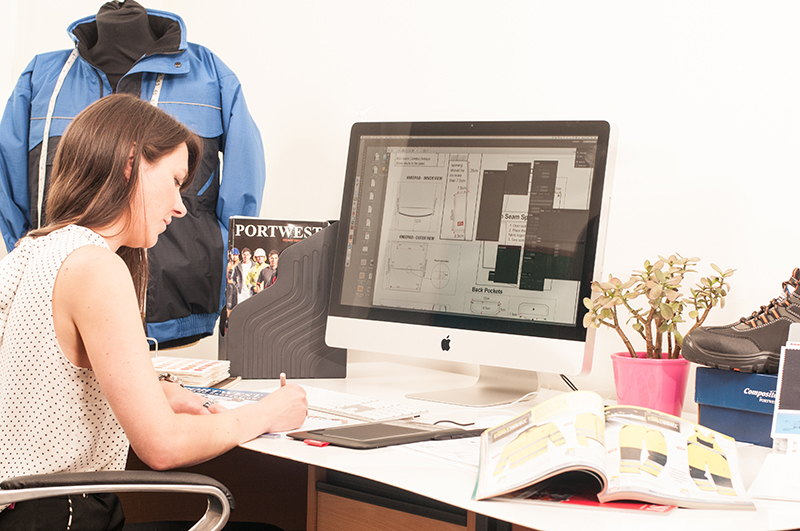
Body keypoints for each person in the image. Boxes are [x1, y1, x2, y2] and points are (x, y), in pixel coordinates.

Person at [0, 94, 307, 530]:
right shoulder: (95, 266)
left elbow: (46, 382)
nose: (181, 207)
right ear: (131, 164)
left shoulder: (33, 249)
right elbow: (162, 446)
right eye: (176, 180)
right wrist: (267, 413)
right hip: (64, 516)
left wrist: (157, 391)